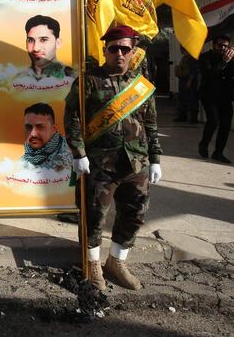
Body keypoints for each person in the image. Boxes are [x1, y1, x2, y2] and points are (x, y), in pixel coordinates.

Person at [65, 25, 162, 291]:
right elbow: (72, 117)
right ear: (105, 50)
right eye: (113, 48)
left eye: (125, 49)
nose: (119, 53)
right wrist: (78, 152)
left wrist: (155, 158)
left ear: (133, 52)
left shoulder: (141, 86)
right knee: (94, 215)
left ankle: (116, 262)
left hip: (136, 163)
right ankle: (92, 264)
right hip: (100, 164)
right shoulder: (88, 80)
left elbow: (151, 123)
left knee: (134, 213)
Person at [198, 34, 234, 164]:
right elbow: (210, 74)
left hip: (225, 95)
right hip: (209, 95)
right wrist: (224, 62)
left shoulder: (228, 57)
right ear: (214, 45)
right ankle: (204, 144)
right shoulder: (205, 57)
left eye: (225, 46)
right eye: (220, 45)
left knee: (226, 124)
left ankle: (219, 152)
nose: (222, 48)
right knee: (213, 121)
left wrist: (231, 60)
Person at [14, 15, 75, 82]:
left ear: (58, 43)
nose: (36, 48)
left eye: (43, 40)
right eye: (30, 40)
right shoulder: (17, 79)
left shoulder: (72, 77)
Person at [21, 103, 72, 171]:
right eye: (28, 127)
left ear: (54, 129)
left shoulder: (72, 156)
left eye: (40, 127)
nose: (33, 134)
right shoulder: (24, 161)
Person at [174, 47, 200, 123]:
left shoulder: (192, 57)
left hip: (189, 80)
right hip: (183, 79)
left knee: (192, 99)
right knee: (182, 98)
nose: (181, 50)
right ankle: (183, 116)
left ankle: (193, 118)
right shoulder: (185, 57)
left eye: (182, 48)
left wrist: (189, 81)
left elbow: (193, 71)